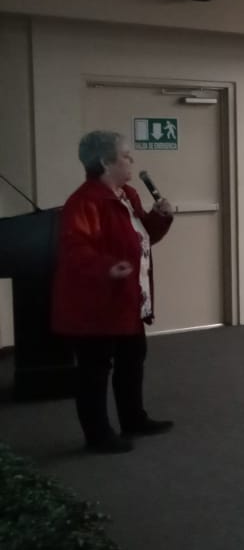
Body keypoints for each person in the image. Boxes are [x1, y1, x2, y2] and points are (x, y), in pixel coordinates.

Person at [53, 131, 176, 454]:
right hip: (95, 304)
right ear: (105, 162)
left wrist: (160, 218)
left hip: (128, 298)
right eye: (125, 155)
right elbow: (74, 250)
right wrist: (107, 267)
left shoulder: (128, 195)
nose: (132, 160)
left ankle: (133, 419)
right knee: (94, 370)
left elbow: (142, 239)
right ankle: (98, 435)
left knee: (132, 360)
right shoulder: (85, 202)